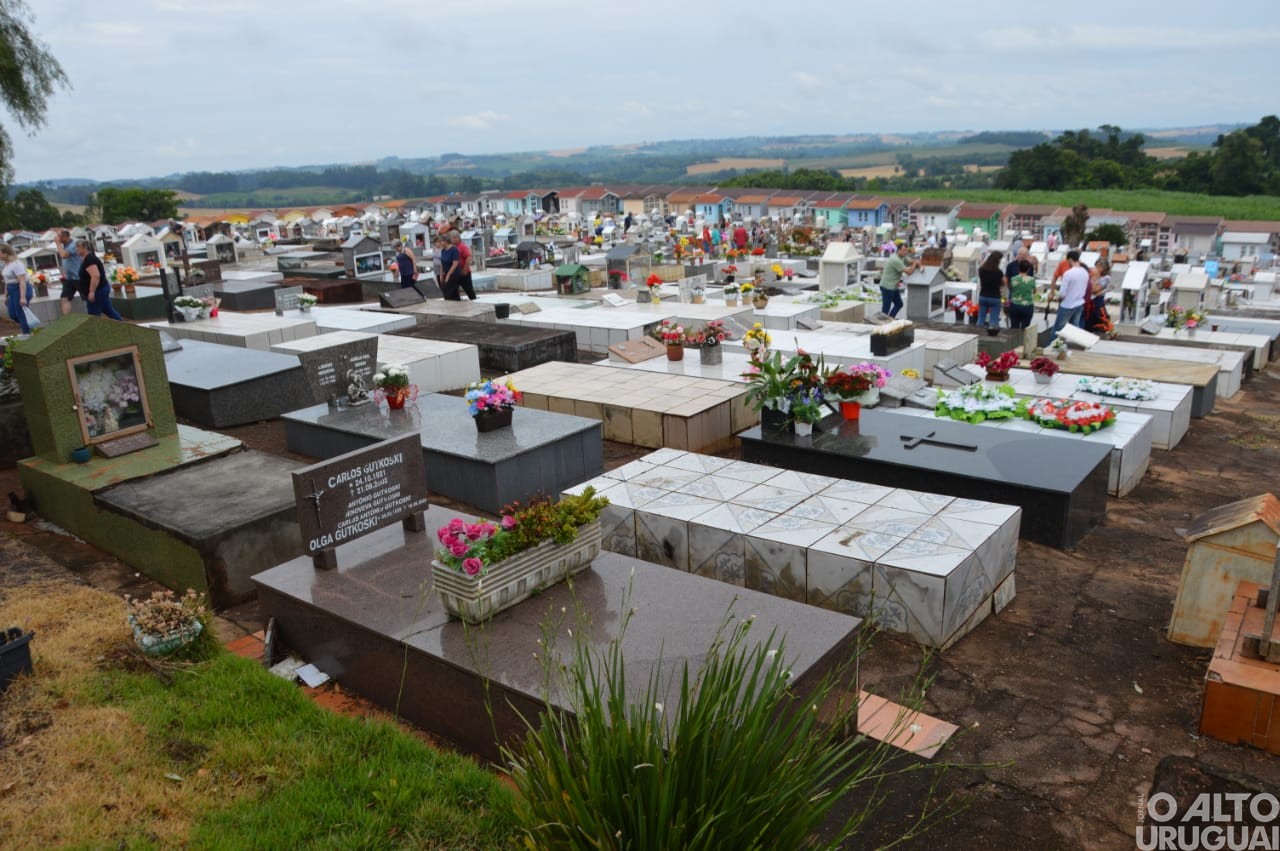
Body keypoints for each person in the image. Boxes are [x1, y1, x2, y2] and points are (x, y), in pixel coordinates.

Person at [77, 239, 123, 321]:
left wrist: (92, 291)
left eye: (78, 247)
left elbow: (95, 276)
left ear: (84, 248)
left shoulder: (89, 259)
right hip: (101, 289)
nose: (76, 249)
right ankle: (122, 324)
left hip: (98, 291)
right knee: (109, 311)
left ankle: (95, 328)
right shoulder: (86, 259)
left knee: (93, 315)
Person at [1048, 250, 1088, 342]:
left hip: (1067, 304)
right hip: (1079, 303)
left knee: (1058, 328)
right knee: (1075, 328)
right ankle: (1074, 345)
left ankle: (1050, 345)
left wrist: (1058, 298)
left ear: (1070, 260)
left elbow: (1062, 293)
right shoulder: (1085, 272)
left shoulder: (1068, 274)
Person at [879, 243, 919, 318]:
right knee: (885, 309)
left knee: (899, 304)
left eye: (906, 250)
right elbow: (909, 272)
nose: (905, 252)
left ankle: (891, 318)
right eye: (903, 250)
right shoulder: (895, 260)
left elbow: (911, 261)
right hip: (887, 287)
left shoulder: (903, 257)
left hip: (894, 286)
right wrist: (915, 263)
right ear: (898, 250)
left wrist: (916, 263)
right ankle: (884, 322)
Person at [1, 244, 34, 334]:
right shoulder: (6, 265)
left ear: (6, 253)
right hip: (11, 289)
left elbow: (22, 281)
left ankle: (27, 332)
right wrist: (6, 295)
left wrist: (22, 297)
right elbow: (7, 281)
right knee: (12, 314)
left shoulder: (16, 264)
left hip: (20, 288)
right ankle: (29, 325)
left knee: (20, 312)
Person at [976, 250, 1005, 335]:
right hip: (994, 297)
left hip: (983, 295)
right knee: (994, 319)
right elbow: (1003, 283)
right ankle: (992, 334)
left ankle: (978, 333)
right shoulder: (998, 272)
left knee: (981, 317)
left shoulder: (981, 270)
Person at [56, 228, 83, 315]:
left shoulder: (74, 245)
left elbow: (64, 255)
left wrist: (57, 244)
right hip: (69, 278)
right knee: (64, 298)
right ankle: (67, 318)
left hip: (78, 277)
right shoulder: (65, 246)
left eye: (59, 236)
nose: (57, 238)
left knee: (86, 297)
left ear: (65, 237)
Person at [1007, 258, 1037, 329]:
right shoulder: (1032, 280)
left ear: (1018, 268)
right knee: (1025, 328)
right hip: (1027, 305)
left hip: (1015, 305)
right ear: (1028, 269)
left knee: (1014, 327)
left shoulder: (1013, 279)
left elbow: (1010, 288)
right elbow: (1034, 291)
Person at [450, 232, 476, 300]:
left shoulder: (462, 246)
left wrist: (465, 269)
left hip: (464, 272)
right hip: (456, 272)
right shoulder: (452, 247)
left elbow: (468, 257)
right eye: (452, 238)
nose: (454, 239)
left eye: (456, 238)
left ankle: (474, 301)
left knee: (469, 290)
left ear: (459, 238)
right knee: (454, 290)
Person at [438, 237, 462, 301]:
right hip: (445, 272)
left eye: (441, 242)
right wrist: (441, 274)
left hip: (453, 273)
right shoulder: (443, 250)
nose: (440, 243)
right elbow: (442, 263)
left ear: (446, 241)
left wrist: (448, 275)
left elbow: (455, 263)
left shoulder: (454, 250)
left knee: (449, 291)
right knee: (450, 292)